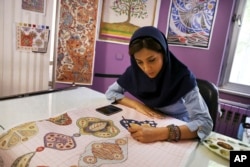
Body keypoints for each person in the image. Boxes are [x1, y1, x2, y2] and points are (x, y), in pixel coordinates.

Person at [105, 26, 213, 143]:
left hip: (180, 126)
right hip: (151, 121)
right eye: (139, 62)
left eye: (152, 60)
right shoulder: (135, 71)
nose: (146, 68)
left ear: (164, 53)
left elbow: (205, 123)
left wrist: (160, 133)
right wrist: (138, 106)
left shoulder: (183, 77)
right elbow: (111, 92)